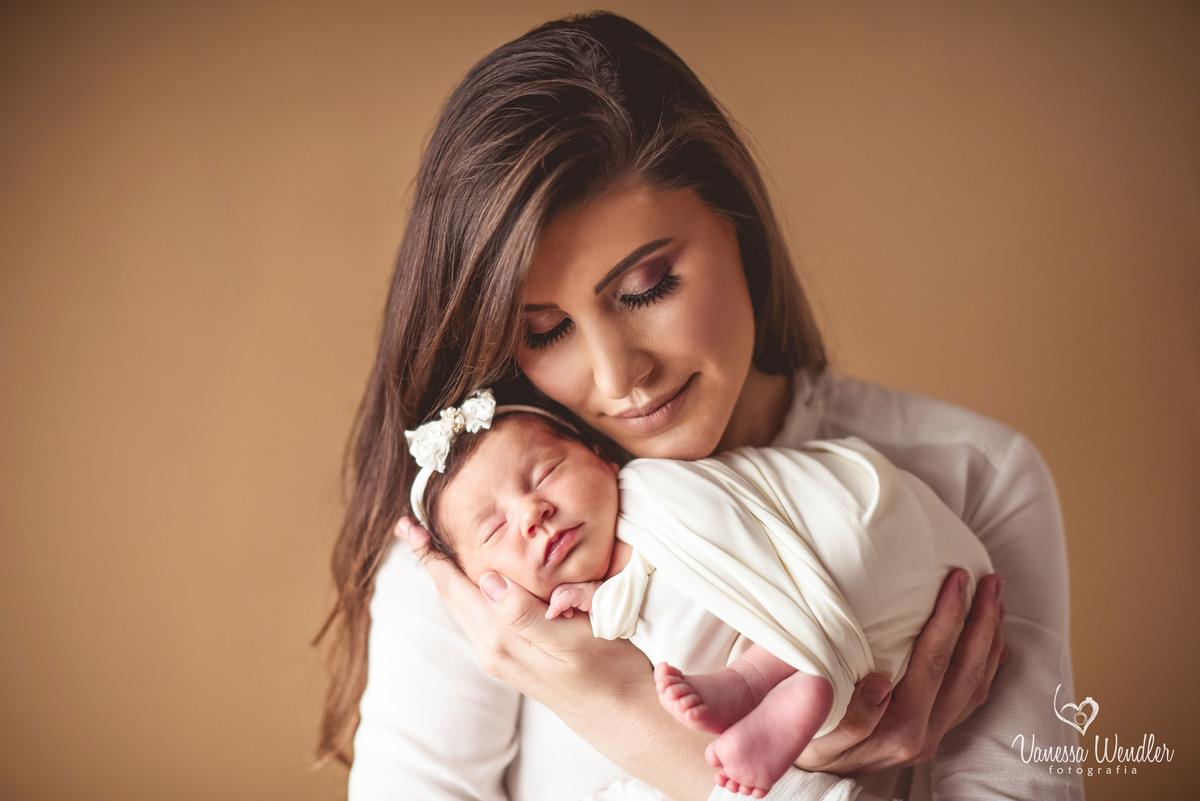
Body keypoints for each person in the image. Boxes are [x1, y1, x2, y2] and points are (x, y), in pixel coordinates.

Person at [317, 11, 1083, 801]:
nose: (619, 376)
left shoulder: (970, 475)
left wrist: (630, 712)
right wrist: (622, 703)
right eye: (544, 331)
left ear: (737, 225)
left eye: (646, 287)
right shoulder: (492, 551)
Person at [403, 390, 994, 798]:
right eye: (495, 530)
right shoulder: (450, 618)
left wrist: (601, 607)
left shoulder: (651, 496)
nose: (532, 512)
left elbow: (671, 578)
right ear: (478, 586)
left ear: (602, 458)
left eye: (545, 474)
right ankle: (783, 676)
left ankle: (768, 678)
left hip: (866, 546)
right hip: (879, 643)